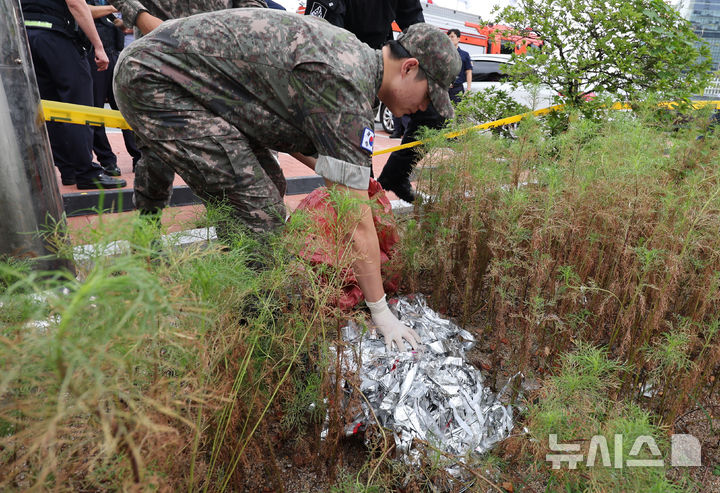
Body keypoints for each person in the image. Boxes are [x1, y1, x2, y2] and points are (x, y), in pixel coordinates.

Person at [114, 9, 460, 350]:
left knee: (268, 186)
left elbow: (290, 130)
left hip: (188, 81)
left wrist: (346, 179)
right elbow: (355, 223)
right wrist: (380, 311)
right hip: (155, 80)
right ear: (409, 67)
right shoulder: (346, 84)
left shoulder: (352, 59)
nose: (424, 108)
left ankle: (243, 290)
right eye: (429, 96)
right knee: (259, 211)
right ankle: (260, 331)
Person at [21, 0, 127, 189]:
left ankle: (68, 171)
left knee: (53, 109)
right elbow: (76, 4)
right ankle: (86, 173)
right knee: (79, 107)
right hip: (58, 38)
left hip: (28, 38)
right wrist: (98, 46)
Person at [86, 0, 141, 176]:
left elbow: (117, 23)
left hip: (115, 54)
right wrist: (115, 8)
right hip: (93, 56)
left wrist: (122, 21)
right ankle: (107, 160)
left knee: (126, 108)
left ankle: (139, 157)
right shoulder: (108, 4)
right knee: (96, 111)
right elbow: (85, 10)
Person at [447, 28, 472, 103]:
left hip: (457, 89)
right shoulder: (442, 53)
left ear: (458, 39)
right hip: (444, 89)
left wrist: (468, 89)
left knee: (457, 112)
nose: (449, 39)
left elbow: (468, 72)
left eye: (452, 36)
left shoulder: (464, 55)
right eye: (448, 37)